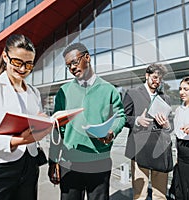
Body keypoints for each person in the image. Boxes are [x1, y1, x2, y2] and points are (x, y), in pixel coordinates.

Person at [0, 34, 52, 200]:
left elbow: (34, 127)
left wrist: (43, 123)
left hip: (29, 165)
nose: (23, 69)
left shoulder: (33, 92)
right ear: (5, 57)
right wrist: (17, 141)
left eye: (28, 64)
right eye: (17, 62)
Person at [47, 42, 126, 200]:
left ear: (87, 58)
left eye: (74, 62)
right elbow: (56, 129)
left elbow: (120, 115)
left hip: (99, 162)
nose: (72, 68)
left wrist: (111, 132)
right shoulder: (63, 92)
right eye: (68, 65)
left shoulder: (109, 89)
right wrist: (53, 161)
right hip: (69, 163)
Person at [123, 63, 173, 200]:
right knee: (140, 195)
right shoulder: (132, 93)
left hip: (160, 150)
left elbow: (171, 126)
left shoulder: (165, 99)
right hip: (139, 150)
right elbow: (122, 117)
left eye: (160, 79)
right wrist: (137, 120)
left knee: (160, 195)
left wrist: (167, 126)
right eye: (155, 77)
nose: (157, 81)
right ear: (147, 75)